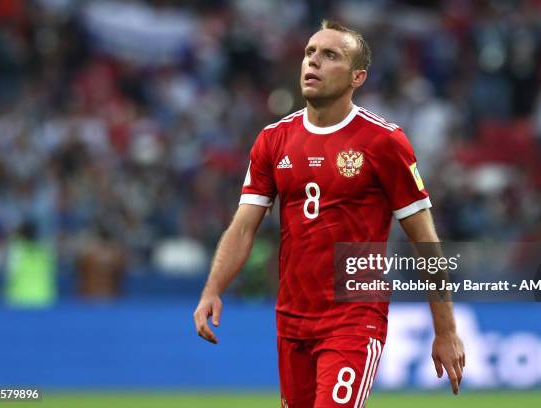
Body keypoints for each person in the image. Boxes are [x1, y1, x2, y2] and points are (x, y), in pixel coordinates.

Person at [194, 20, 465, 407]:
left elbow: (424, 239)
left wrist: (446, 330)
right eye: (309, 53)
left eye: (329, 55)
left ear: (358, 76)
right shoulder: (273, 140)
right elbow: (243, 228)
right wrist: (212, 288)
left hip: (353, 317)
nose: (313, 62)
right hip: (291, 318)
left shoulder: (384, 142)